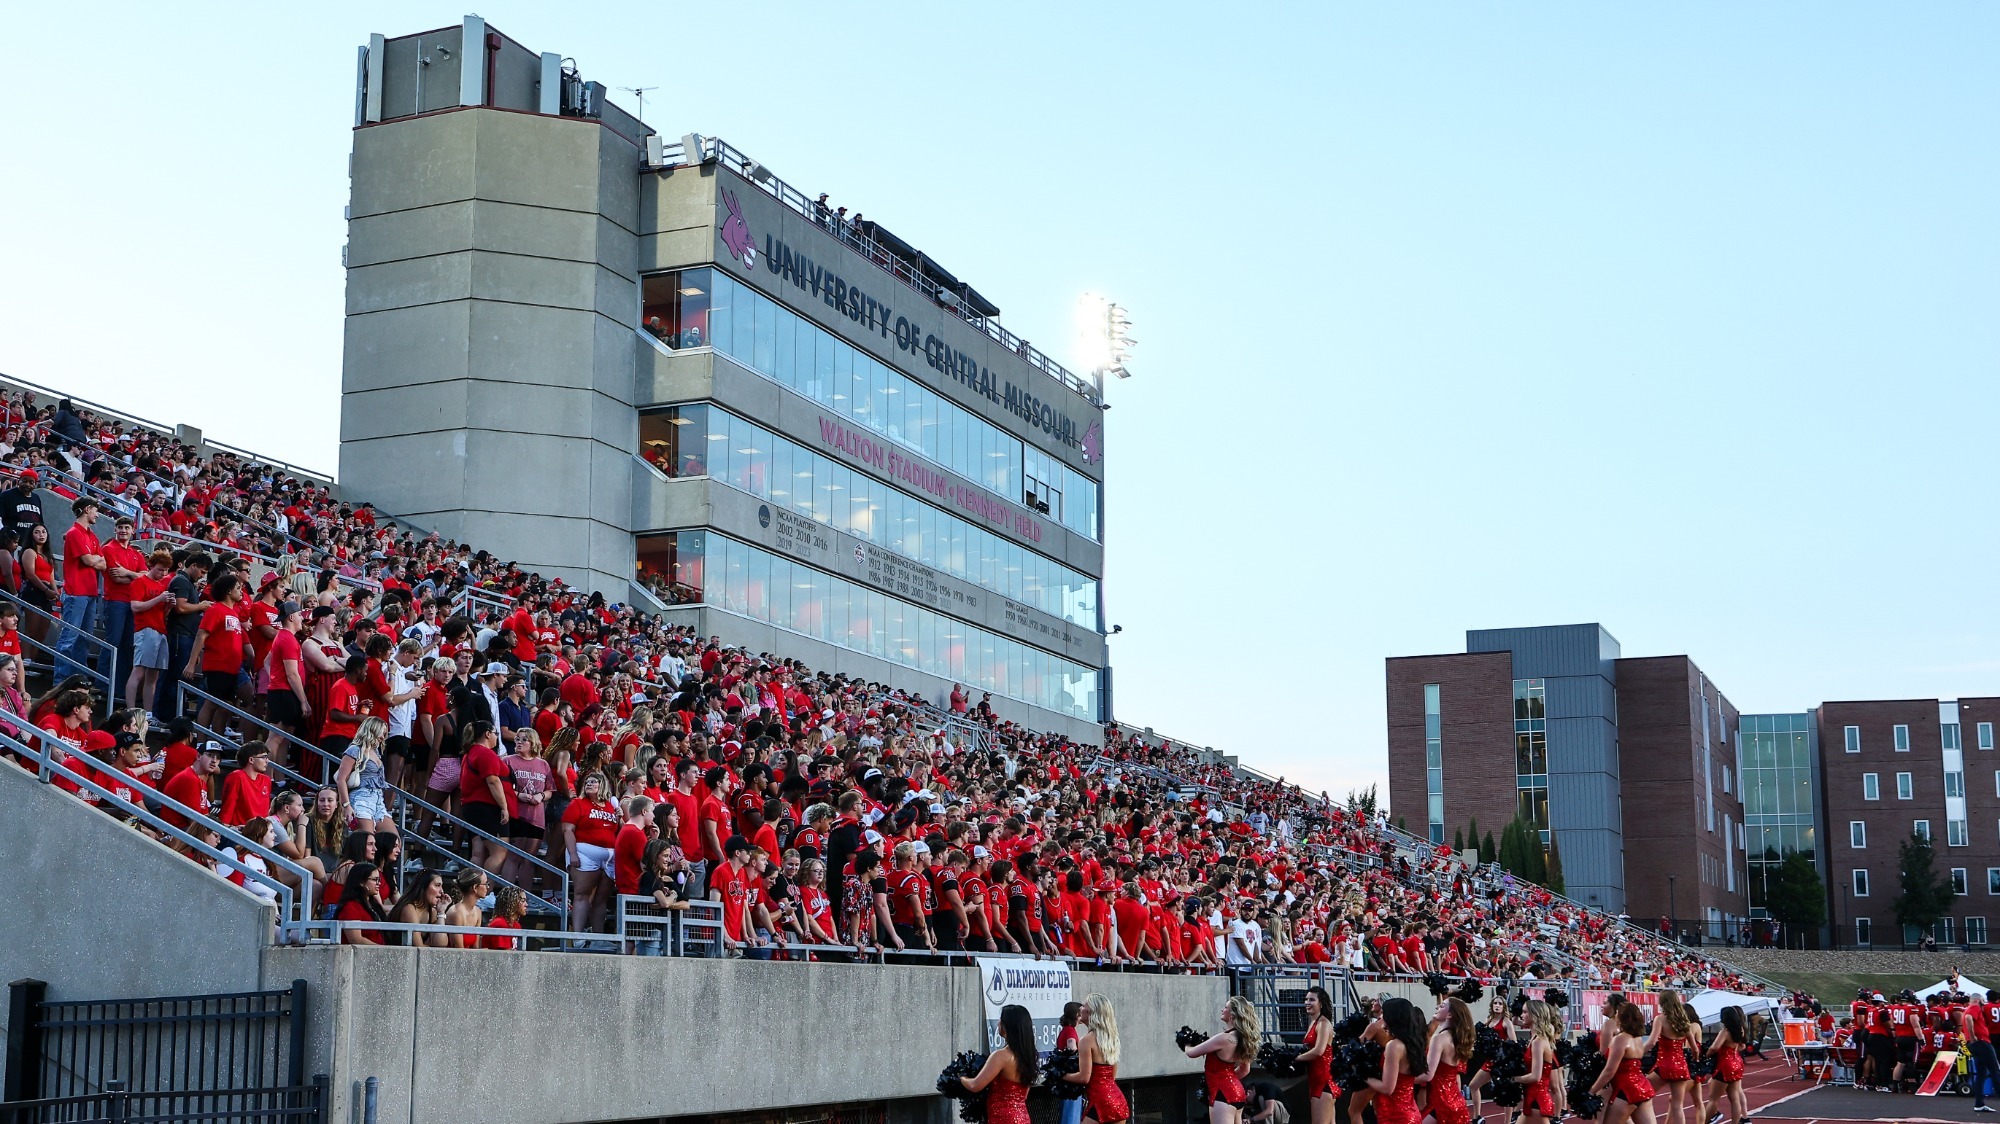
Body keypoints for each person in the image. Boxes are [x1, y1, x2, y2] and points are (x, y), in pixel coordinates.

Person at [957, 1003, 1038, 1124]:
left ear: (1008, 1026)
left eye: (1001, 1020)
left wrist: (960, 1077)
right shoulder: (1028, 1056)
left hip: (1003, 1119)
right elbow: (1024, 1095)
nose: (998, 1023)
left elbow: (975, 1085)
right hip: (1023, 1117)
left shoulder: (1000, 1056)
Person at [55, 497, 106, 681]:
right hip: (76, 593)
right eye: (95, 510)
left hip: (90, 593)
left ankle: (77, 681)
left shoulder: (92, 536)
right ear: (86, 509)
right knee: (69, 639)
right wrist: (95, 559)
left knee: (84, 641)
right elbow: (90, 561)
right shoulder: (74, 533)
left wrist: (95, 560)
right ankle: (60, 681)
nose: (97, 515)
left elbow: (103, 564)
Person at [1186, 996, 1258, 1124]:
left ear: (1232, 1016)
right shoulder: (1242, 1039)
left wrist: (1186, 1042)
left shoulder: (1223, 1038)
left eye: (1225, 1007)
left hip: (1223, 1095)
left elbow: (1191, 1053)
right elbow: (1245, 1070)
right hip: (1238, 1092)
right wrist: (1227, 1080)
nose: (1222, 1009)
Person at [1062, 992, 1129, 1124]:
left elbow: (1084, 1077)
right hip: (1117, 1100)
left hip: (1101, 1104)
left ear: (1092, 1012)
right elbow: (1112, 1077)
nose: (1081, 1008)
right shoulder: (1111, 1039)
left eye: (1084, 1006)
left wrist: (1061, 1075)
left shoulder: (1086, 1041)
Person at [1590, 1002, 1658, 1124]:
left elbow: (1609, 1071)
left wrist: (1592, 1091)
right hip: (1642, 1088)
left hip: (1625, 1091)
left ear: (1622, 1017)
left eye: (1617, 1014)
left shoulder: (1620, 1039)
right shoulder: (1637, 1039)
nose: (1615, 1016)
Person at [1367, 997, 1428, 1124]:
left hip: (1396, 1116)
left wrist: (1363, 1076)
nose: (1382, 1017)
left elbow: (1387, 1088)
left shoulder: (1394, 1046)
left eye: (1385, 1013)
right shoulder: (1412, 1043)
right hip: (1408, 1113)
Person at [1418, 995, 1473, 1124]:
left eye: (1442, 1006)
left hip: (1442, 1102)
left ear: (1449, 1015)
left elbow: (1428, 1075)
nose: (1437, 1007)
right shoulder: (1457, 1038)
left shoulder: (1440, 1038)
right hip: (1455, 1100)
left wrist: (1400, 1078)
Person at [334, 717, 394, 834]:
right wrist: (346, 805)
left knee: (393, 840)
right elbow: (341, 779)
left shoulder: (376, 752)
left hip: (378, 800)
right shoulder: (354, 750)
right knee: (366, 840)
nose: (383, 737)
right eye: (381, 732)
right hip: (361, 798)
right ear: (373, 730)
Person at [1650, 991, 1701, 1124]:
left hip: (1664, 1065)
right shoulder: (1684, 1021)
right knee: (1678, 1106)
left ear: (1663, 1002)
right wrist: (1695, 1059)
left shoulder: (1660, 1019)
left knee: (1642, 1093)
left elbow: (1652, 1042)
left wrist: (1638, 1053)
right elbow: (1695, 1048)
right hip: (1680, 1065)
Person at [1513, 999, 1563, 1124]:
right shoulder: (1535, 1038)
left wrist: (1513, 1079)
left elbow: (1536, 1076)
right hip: (1533, 1099)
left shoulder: (1538, 1041)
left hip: (1536, 1100)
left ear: (1534, 1015)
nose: (1522, 1015)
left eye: (1525, 1012)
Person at [1296, 985, 1338, 1124]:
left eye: (1312, 1000)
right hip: (1316, 1079)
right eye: (1306, 999)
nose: (1307, 1002)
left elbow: (1319, 1051)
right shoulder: (1314, 1022)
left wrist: (1295, 1058)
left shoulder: (1324, 1023)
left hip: (1323, 1081)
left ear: (1321, 1003)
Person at [1705, 1006, 1748, 1124]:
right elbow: (1742, 1046)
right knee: (1734, 1098)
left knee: (1713, 1099)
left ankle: (1704, 1121)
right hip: (1736, 1062)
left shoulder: (1725, 1032)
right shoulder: (1740, 1030)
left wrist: (1706, 1055)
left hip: (1725, 1064)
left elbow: (1714, 1047)